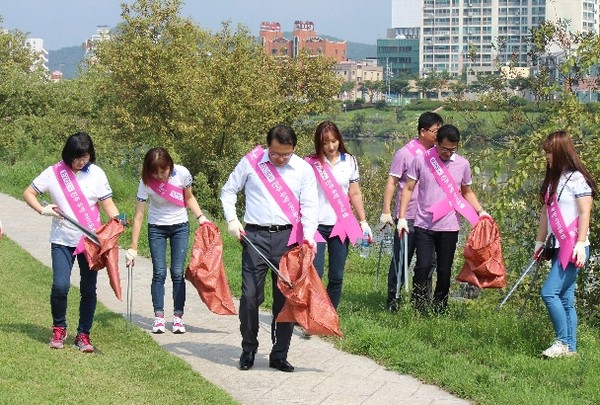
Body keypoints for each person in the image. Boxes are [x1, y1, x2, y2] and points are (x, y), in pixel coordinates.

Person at [221, 124, 319, 372]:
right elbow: (228, 191)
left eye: (286, 154)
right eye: (275, 154)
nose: (280, 159)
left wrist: (308, 238)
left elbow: (309, 206)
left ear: (294, 149)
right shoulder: (252, 162)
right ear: (268, 147)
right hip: (255, 237)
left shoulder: (303, 169)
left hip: (289, 239)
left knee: (286, 299)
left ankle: (279, 354)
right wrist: (232, 220)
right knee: (250, 296)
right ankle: (248, 348)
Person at [23, 132, 122, 353]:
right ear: (68, 154)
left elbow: (108, 206)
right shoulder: (54, 172)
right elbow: (28, 193)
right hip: (62, 239)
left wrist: (119, 221)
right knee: (60, 286)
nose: (81, 161)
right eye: (77, 157)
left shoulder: (97, 174)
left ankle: (83, 335)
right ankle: (59, 327)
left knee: (88, 289)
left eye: (85, 156)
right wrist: (42, 209)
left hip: (90, 242)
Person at [398, 124, 488, 313]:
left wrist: (480, 211)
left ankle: (440, 308)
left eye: (452, 149)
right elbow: (408, 188)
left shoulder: (462, 164)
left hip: (449, 226)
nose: (447, 153)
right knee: (422, 266)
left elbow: (467, 192)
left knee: (444, 270)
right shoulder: (421, 160)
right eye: (444, 148)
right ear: (436, 143)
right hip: (424, 223)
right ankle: (419, 306)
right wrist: (402, 217)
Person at [125, 147, 209, 334]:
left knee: (178, 272)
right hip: (156, 227)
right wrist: (133, 247)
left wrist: (200, 217)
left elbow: (189, 197)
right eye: (154, 173)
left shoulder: (182, 174)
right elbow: (139, 215)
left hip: (180, 226)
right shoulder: (145, 182)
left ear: (170, 166)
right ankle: (159, 317)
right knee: (159, 272)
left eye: (163, 172)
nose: (160, 177)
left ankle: (178, 318)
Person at [533, 131, 596, 358]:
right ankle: (571, 348)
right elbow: (545, 213)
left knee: (549, 293)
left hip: (573, 248)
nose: (547, 157)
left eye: (550, 153)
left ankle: (562, 342)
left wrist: (580, 243)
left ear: (560, 152)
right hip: (557, 246)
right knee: (566, 298)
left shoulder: (578, 179)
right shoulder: (552, 180)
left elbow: (584, 212)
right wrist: (539, 242)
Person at [380, 112, 443, 312]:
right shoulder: (405, 153)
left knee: (427, 262)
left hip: (429, 217)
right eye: (435, 131)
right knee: (401, 259)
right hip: (407, 217)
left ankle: (421, 302)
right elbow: (392, 182)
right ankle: (393, 300)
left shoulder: (438, 154)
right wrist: (387, 211)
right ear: (422, 131)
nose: (437, 134)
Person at [306, 121, 371, 310]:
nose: (331, 146)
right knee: (315, 273)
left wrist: (364, 221)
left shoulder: (349, 160)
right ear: (319, 144)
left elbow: (355, 193)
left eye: (334, 141)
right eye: (325, 143)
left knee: (336, 276)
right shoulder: (309, 163)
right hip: (315, 225)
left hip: (340, 224)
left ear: (339, 140)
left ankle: (329, 315)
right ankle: (312, 314)